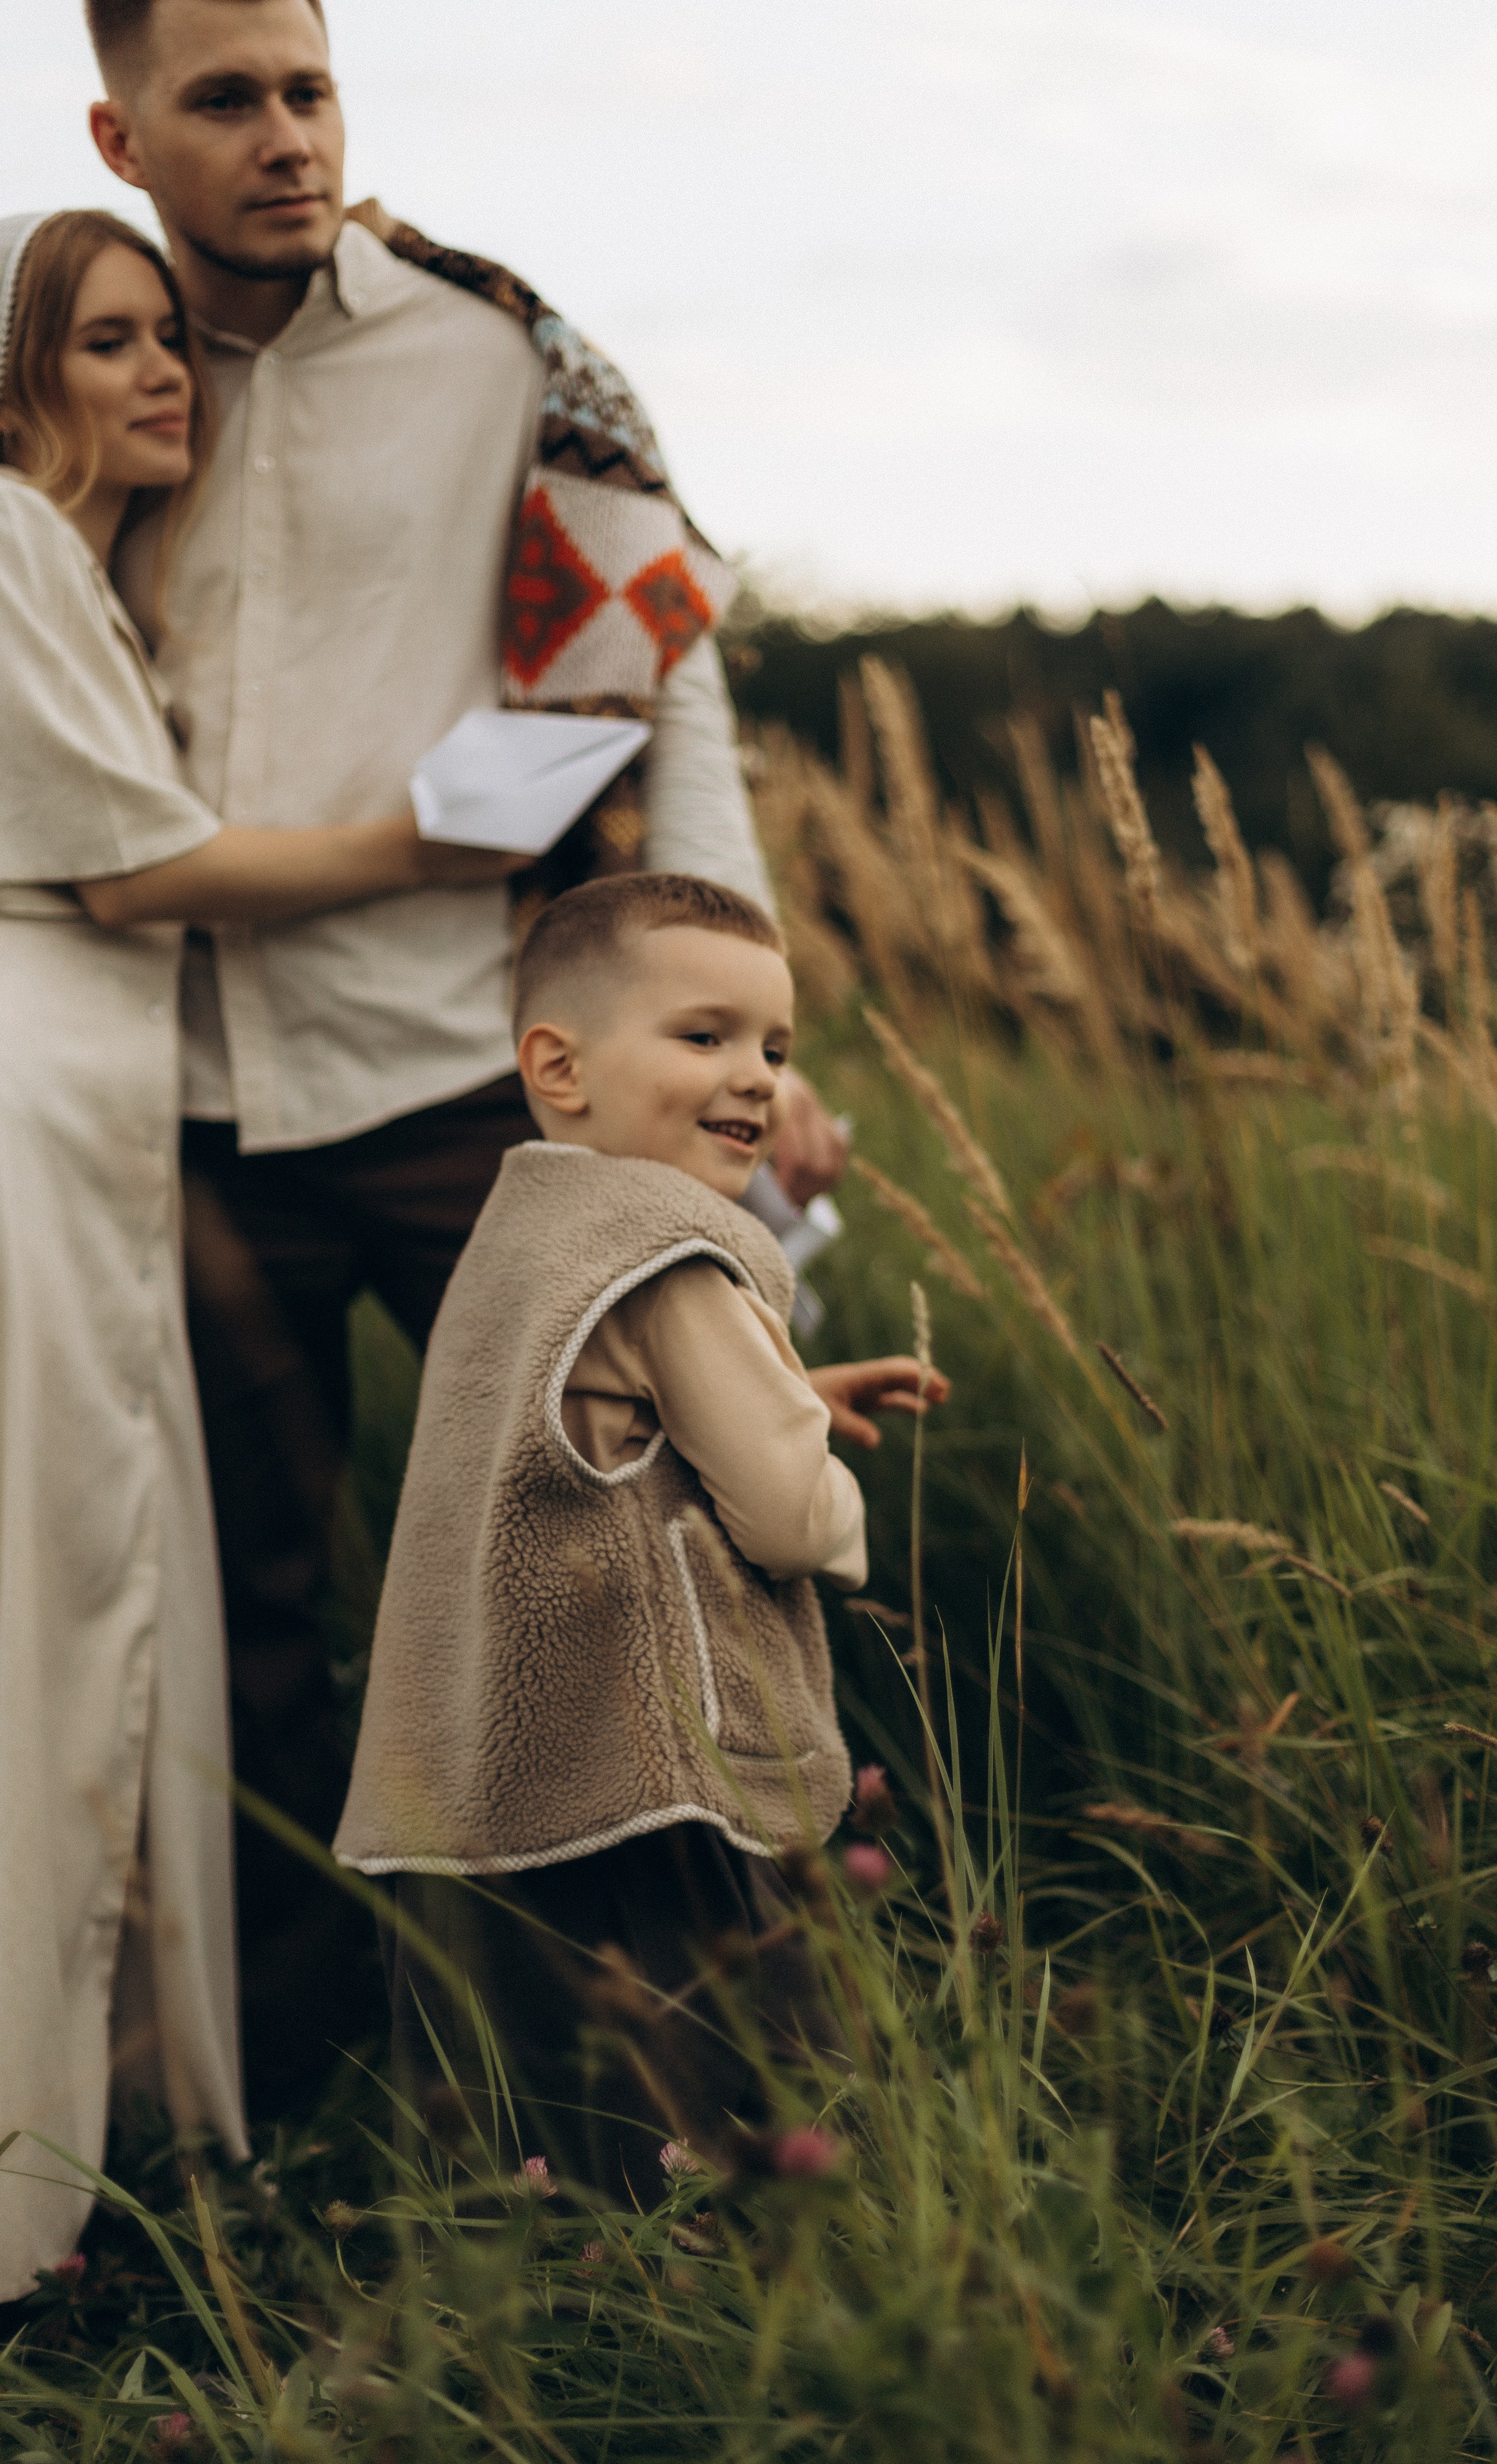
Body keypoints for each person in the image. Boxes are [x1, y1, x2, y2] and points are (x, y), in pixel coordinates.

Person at [81, 0, 853, 2113]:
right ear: (118, 129)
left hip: (473, 1082)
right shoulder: (73, 355)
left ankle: (732, 2093)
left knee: (650, 1565)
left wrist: (740, 1039)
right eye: (221, 98)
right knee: (230, 1645)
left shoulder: (500, 345)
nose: (284, 135)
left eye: (309, 86)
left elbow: (652, 686)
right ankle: (301, 2118)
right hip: (166, 1099)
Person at [0, 207, 523, 2301]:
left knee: (116, 1589)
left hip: (91, 1096)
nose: (159, 377)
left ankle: (120, 2101)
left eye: (164, 340)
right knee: (66, 1601)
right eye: (105, 342)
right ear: (18, 370)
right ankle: (50, 2168)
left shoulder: (76, 563)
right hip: (39, 1092)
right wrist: (437, 834)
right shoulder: (15, 539)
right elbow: (139, 876)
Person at [333, 874, 946, 2204]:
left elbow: (584, 1418)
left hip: (485, 1767)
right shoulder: (667, 1246)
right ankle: (761, 2293)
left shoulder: (528, 1230)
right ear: (558, 1064)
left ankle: (549, 2310)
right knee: (737, 2076)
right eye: (704, 1036)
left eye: (777, 1050)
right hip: (644, 1772)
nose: (756, 1082)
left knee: (540, 2099)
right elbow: (779, 1513)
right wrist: (829, 1497)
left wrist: (782, 1395)